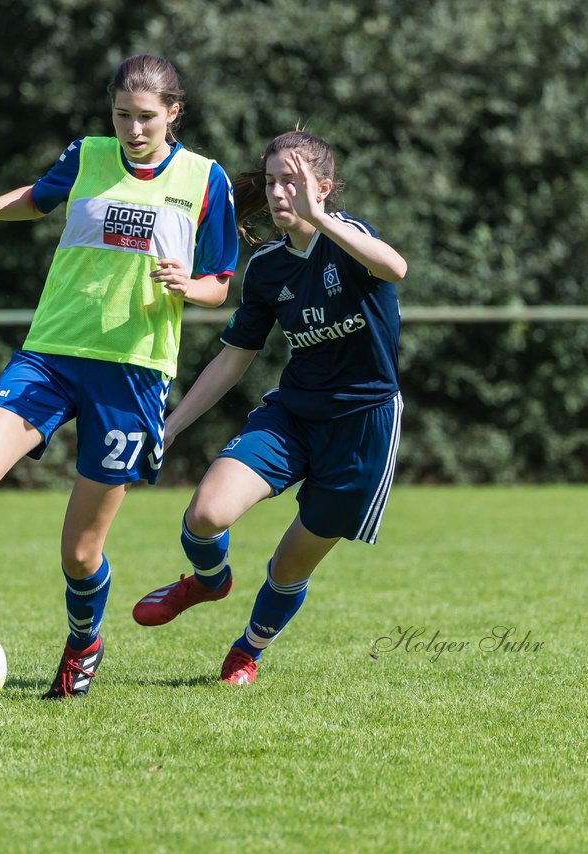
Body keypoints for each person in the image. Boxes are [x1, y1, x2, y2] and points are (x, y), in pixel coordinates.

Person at [0, 54, 238, 700]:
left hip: (132, 373)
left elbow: (220, 283)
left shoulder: (206, 179)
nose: (133, 130)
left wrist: (192, 287)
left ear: (174, 113)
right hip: (50, 353)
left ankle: (83, 643)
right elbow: (38, 198)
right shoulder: (88, 156)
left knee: (79, 554)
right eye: (123, 116)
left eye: (147, 118)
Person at [131, 130, 408, 685]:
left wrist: (322, 217)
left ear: (323, 188)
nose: (280, 192)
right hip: (292, 417)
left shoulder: (350, 240)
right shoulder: (266, 269)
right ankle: (208, 580)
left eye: (294, 182)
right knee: (206, 515)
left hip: (363, 429)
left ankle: (247, 651)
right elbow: (233, 360)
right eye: (274, 180)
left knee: (288, 568)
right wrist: (172, 426)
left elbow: (395, 268)